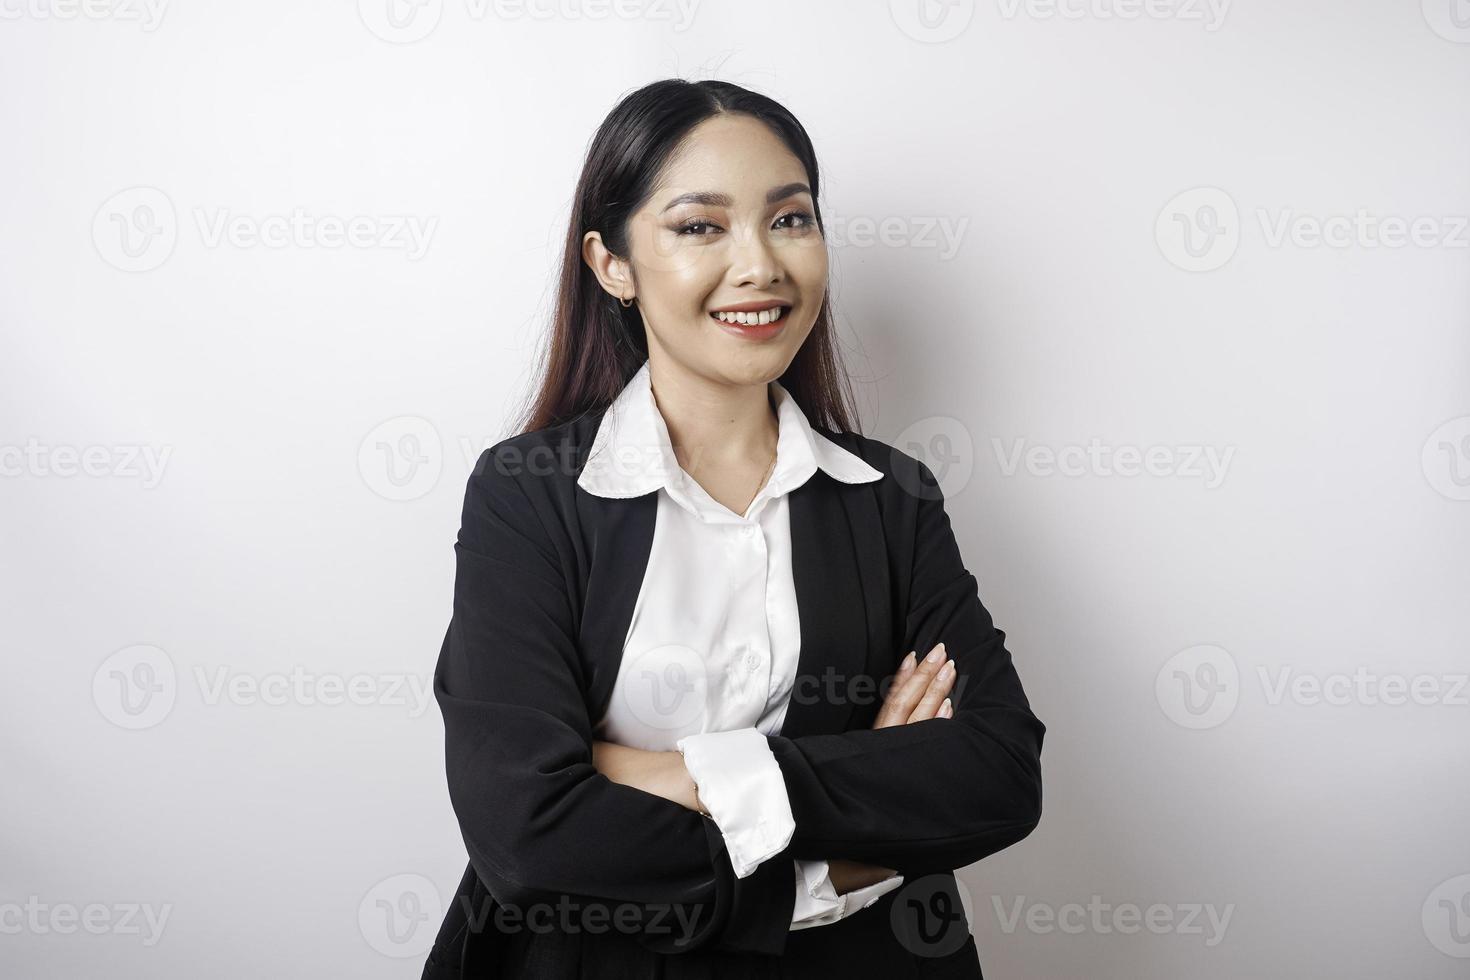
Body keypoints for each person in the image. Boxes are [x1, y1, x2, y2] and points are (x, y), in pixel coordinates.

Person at [422, 77, 1046, 979]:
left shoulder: (889, 496)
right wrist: (839, 842)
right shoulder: (528, 495)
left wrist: (676, 772)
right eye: (699, 226)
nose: (760, 265)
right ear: (612, 265)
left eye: (790, 219)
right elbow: (526, 833)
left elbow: (997, 771)